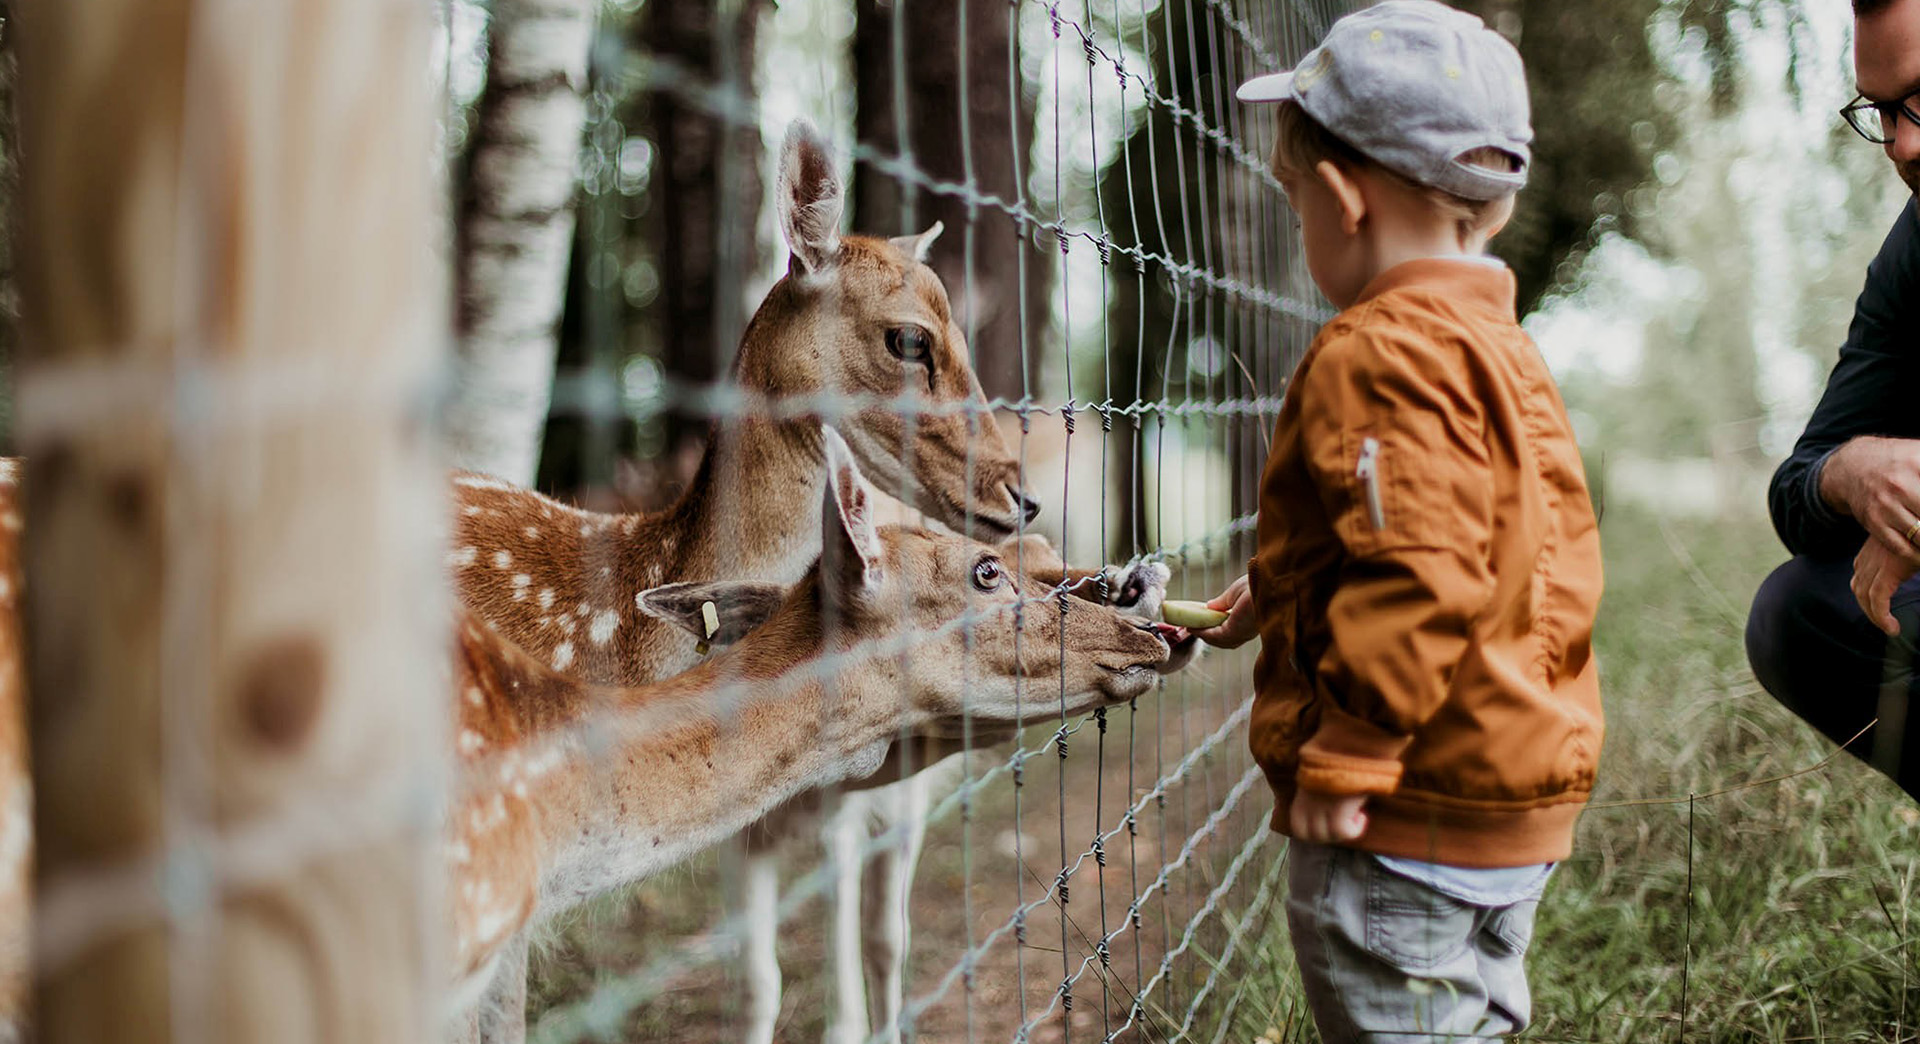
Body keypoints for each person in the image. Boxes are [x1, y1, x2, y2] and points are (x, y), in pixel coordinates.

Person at [1186, 3, 1604, 1039]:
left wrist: (1354, 748)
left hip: (1401, 812)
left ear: (1341, 200)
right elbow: (1494, 545)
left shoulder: (1378, 351)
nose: (1300, 226)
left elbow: (1421, 568)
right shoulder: (1503, 350)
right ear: (1496, 208)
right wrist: (1283, 588)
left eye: (1294, 202)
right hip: (1508, 797)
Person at [1745, 0, 1920, 795]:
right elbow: (1798, 487)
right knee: (1799, 611)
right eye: (1882, 112)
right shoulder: (1913, 253)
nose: (1904, 144)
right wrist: (1854, 473)